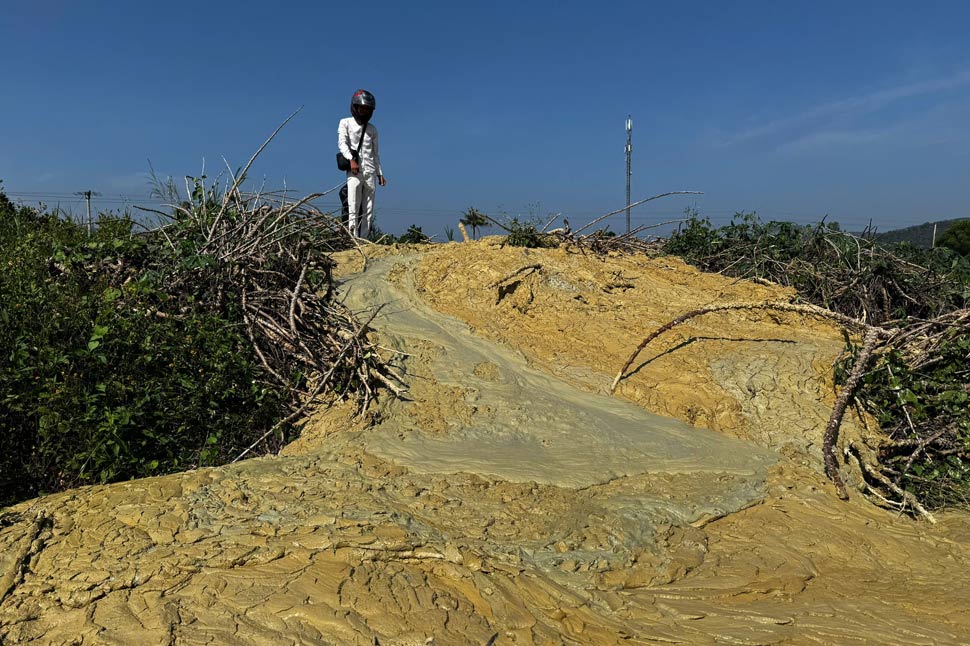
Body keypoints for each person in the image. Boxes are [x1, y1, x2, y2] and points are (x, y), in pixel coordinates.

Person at [337, 89, 386, 238]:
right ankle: (353, 238)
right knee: (353, 204)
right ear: (355, 107)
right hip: (354, 170)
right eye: (362, 108)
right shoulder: (345, 123)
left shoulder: (372, 129)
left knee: (368, 208)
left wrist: (380, 173)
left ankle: (364, 238)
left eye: (367, 109)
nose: (364, 111)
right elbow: (342, 144)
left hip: (370, 171)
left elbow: (375, 153)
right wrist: (351, 160)